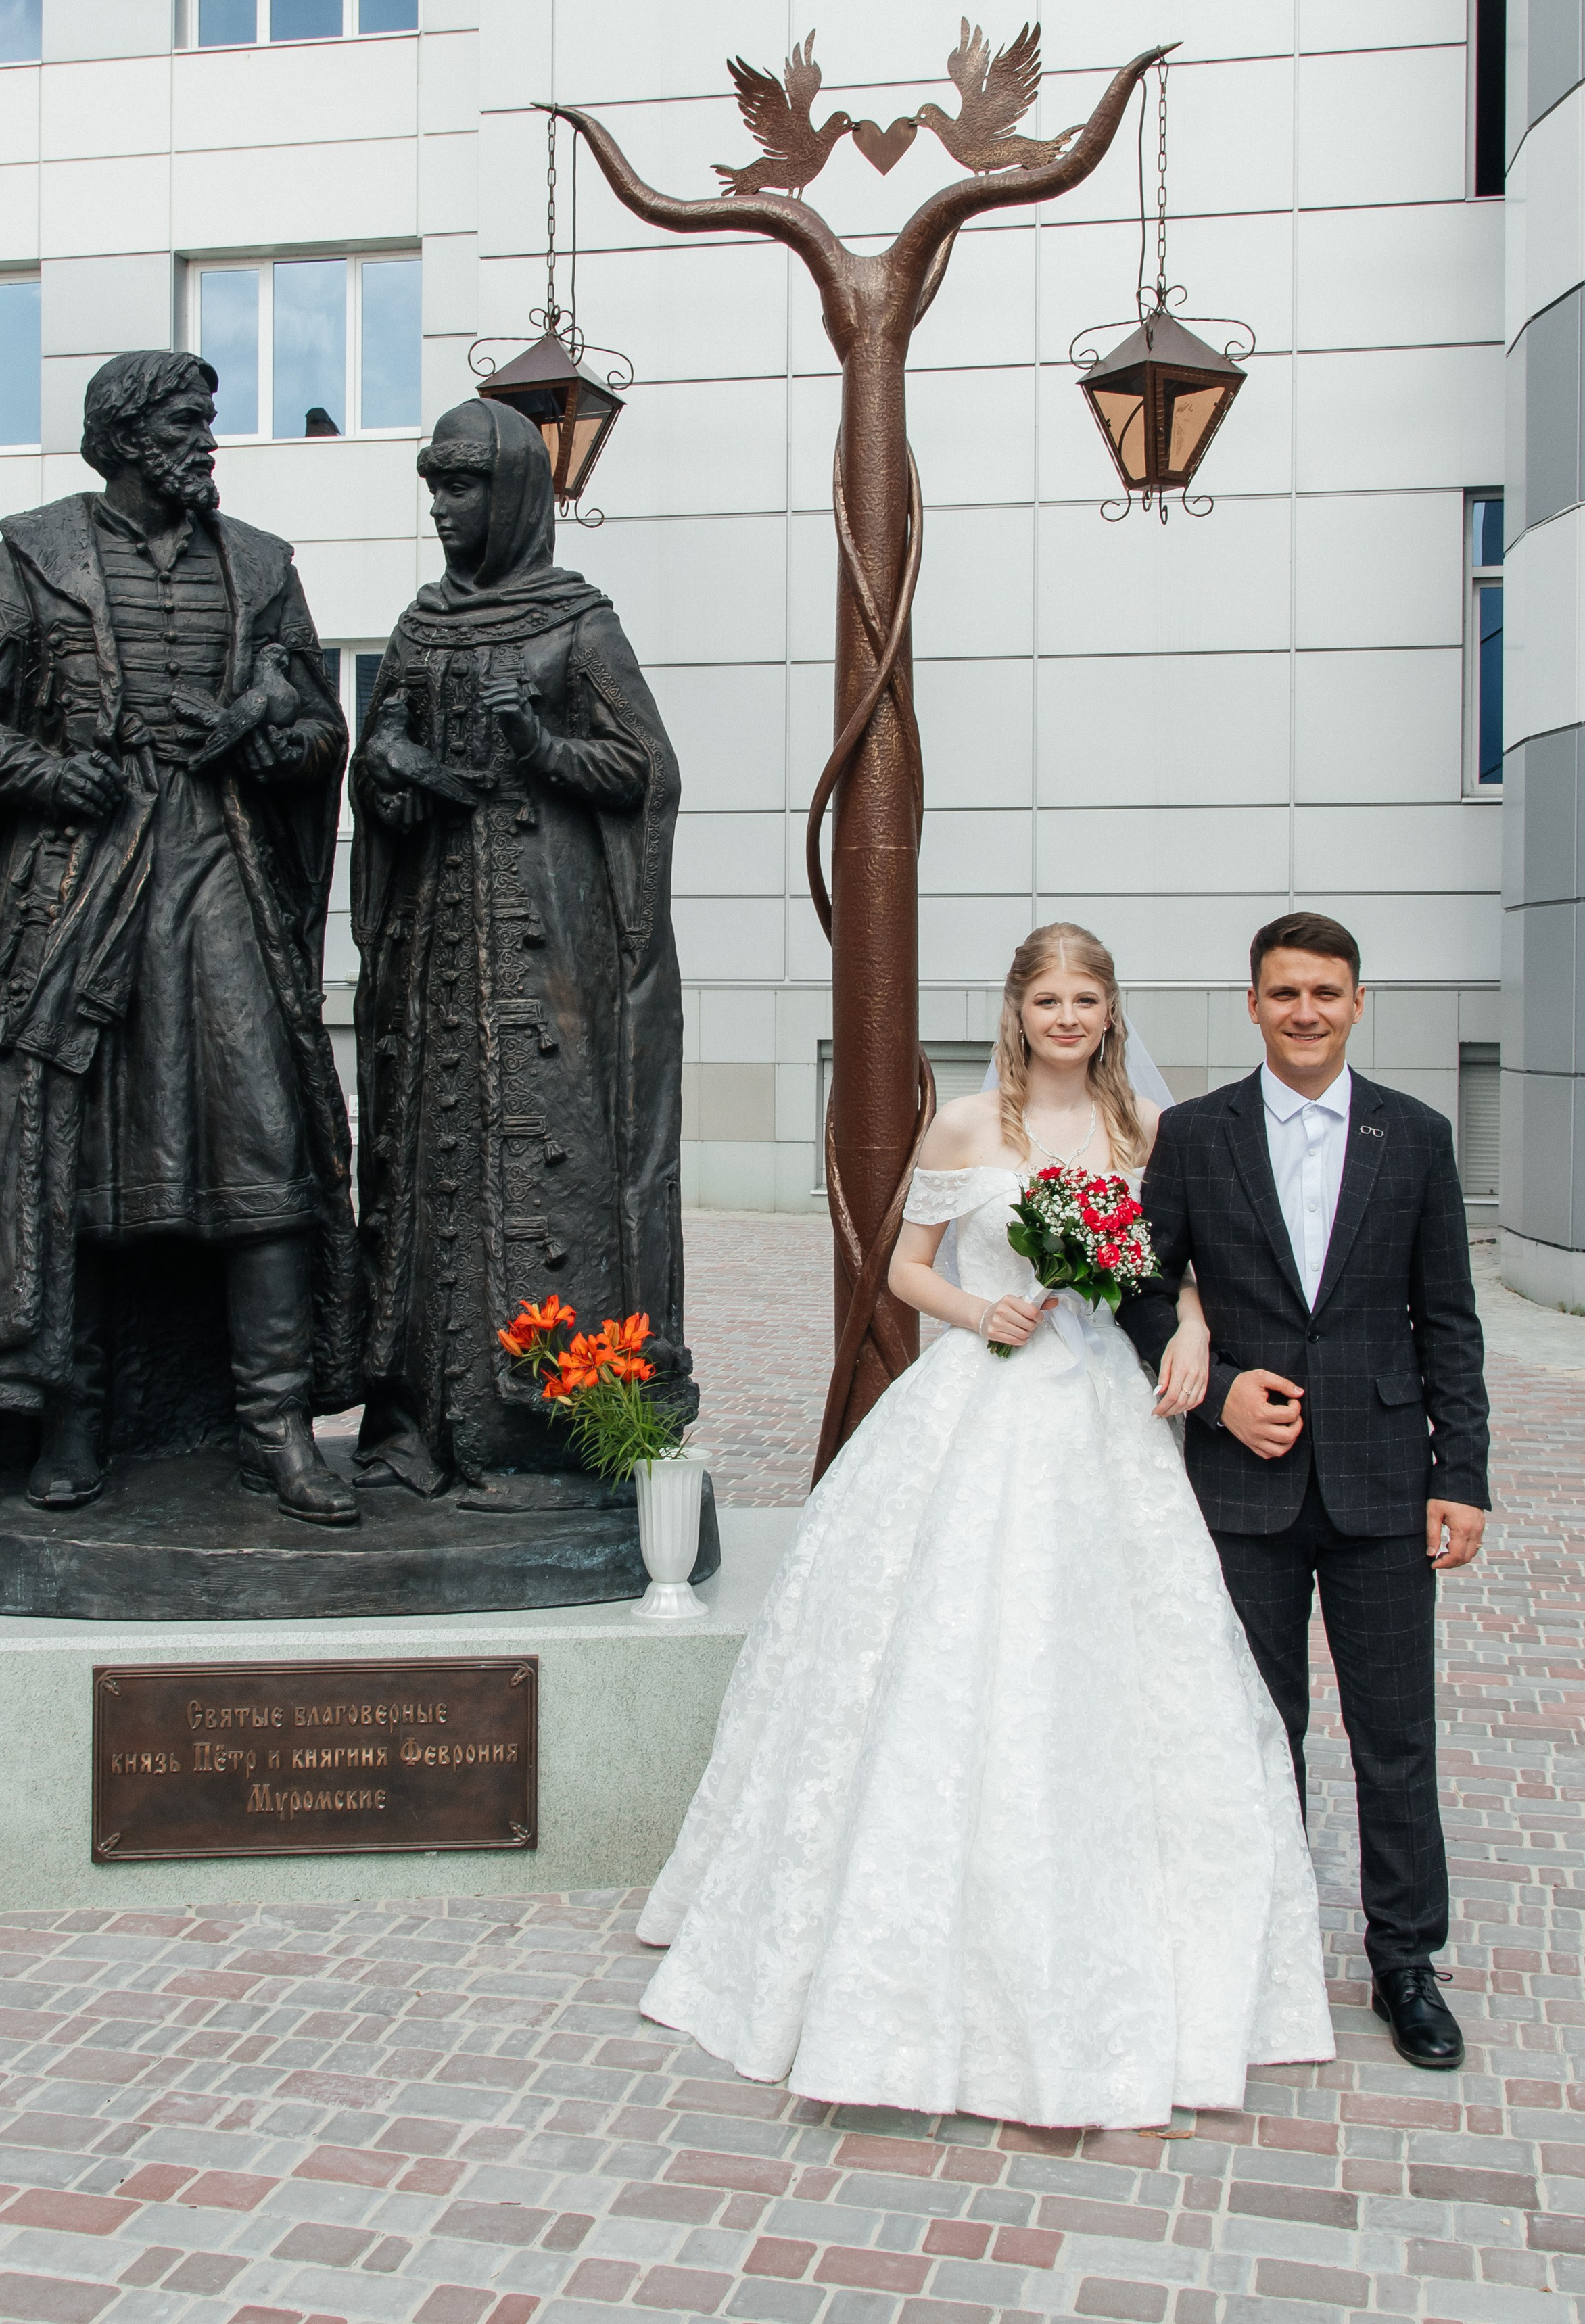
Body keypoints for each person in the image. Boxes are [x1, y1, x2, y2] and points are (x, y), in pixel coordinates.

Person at [636, 922, 1333, 2129]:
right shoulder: (964, 1123)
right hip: (985, 1399)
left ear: (1112, 1013)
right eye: (1048, 999)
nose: (1068, 1018)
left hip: (1105, 1407)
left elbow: (1185, 1267)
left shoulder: (1146, 1134)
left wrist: (1195, 1330)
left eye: (1088, 1000)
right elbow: (902, 1267)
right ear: (1017, 1010)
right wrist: (980, 1311)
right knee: (947, 1644)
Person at [0, 352, 360, 1526]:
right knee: (75, 1162)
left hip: (223, 887)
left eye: (208, 424)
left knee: (265, 1144)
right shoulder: (32, 559)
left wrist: (253, 732)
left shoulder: (259, 566)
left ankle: (278, 1429)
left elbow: (316, 733)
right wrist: (63, 776)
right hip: (83, 902)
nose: (208, 443)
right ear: (126, 437)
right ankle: (74, 1419)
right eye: (188, 424)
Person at [1118, 911, 1489, 2072]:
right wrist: (1218, 1387)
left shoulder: (1417, 1136)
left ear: (1358, 1002)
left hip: (1385, 1485)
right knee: (1255, 1728)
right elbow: (1138, 1284)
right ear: (1254, 1005)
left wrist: (1461, 1476)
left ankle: (1404, 1964)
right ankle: (1259, 1947)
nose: (1307, 1012)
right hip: (1245, 1485)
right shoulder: (1194, 1134)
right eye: (1285, 994)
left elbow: (1452, 1325)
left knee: (1394, 1737)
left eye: (1326, 993)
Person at [347, 398, 695, 1500]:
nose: (445, 511)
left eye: (463, 488)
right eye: (434, 489)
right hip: (437, 947)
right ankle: (422, 1422)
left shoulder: (577, 623)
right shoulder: (419, 624)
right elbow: (379, 746)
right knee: (428, 1158)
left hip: (550, 953)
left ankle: (550, 1424)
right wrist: (399, 771)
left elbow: (646, 772)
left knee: (548, 1163)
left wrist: (537, 744)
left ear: (513, 496)